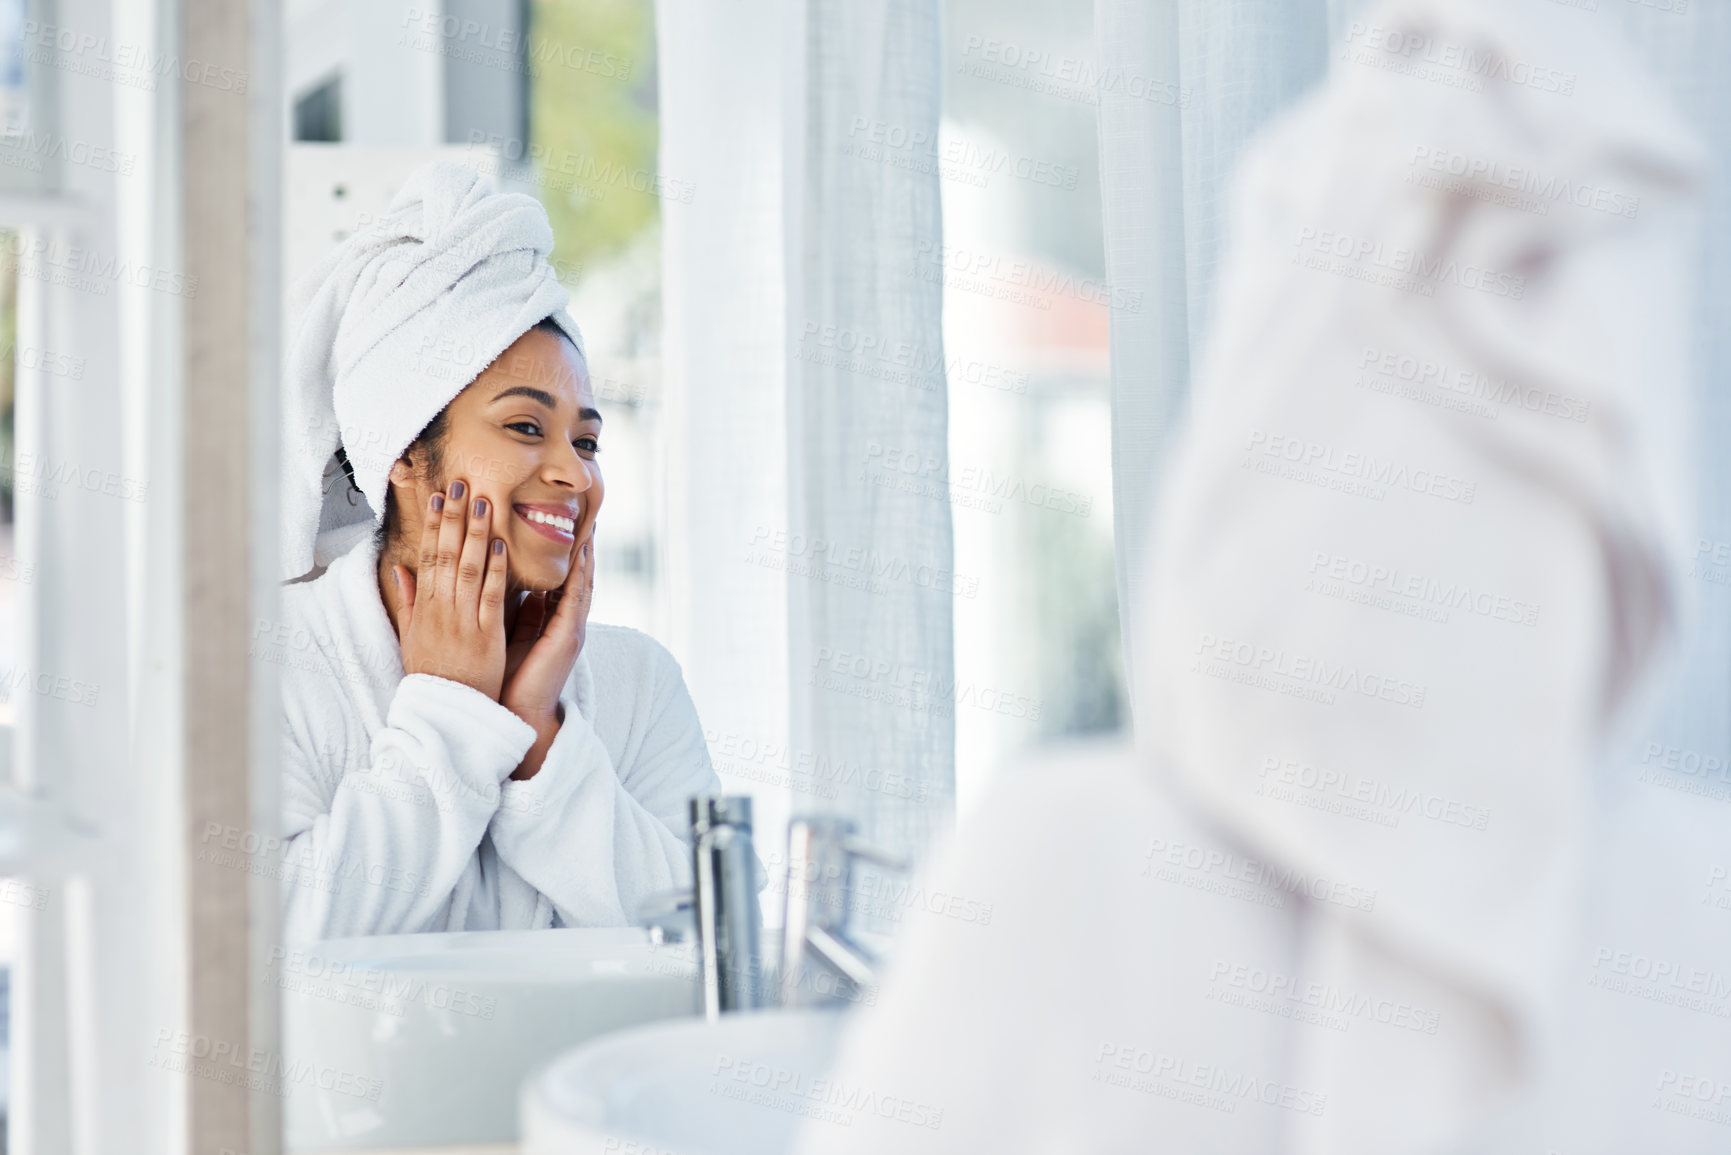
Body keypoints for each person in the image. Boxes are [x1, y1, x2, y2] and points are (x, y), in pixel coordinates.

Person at [270, 161, 718, 942]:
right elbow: (257, 949)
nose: (573, 473)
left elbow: (708, 947)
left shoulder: (639, 684)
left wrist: (538, 738)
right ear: (405, 453)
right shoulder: (266, 661)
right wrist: (451, 717)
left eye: (586, 440)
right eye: (524, 426)